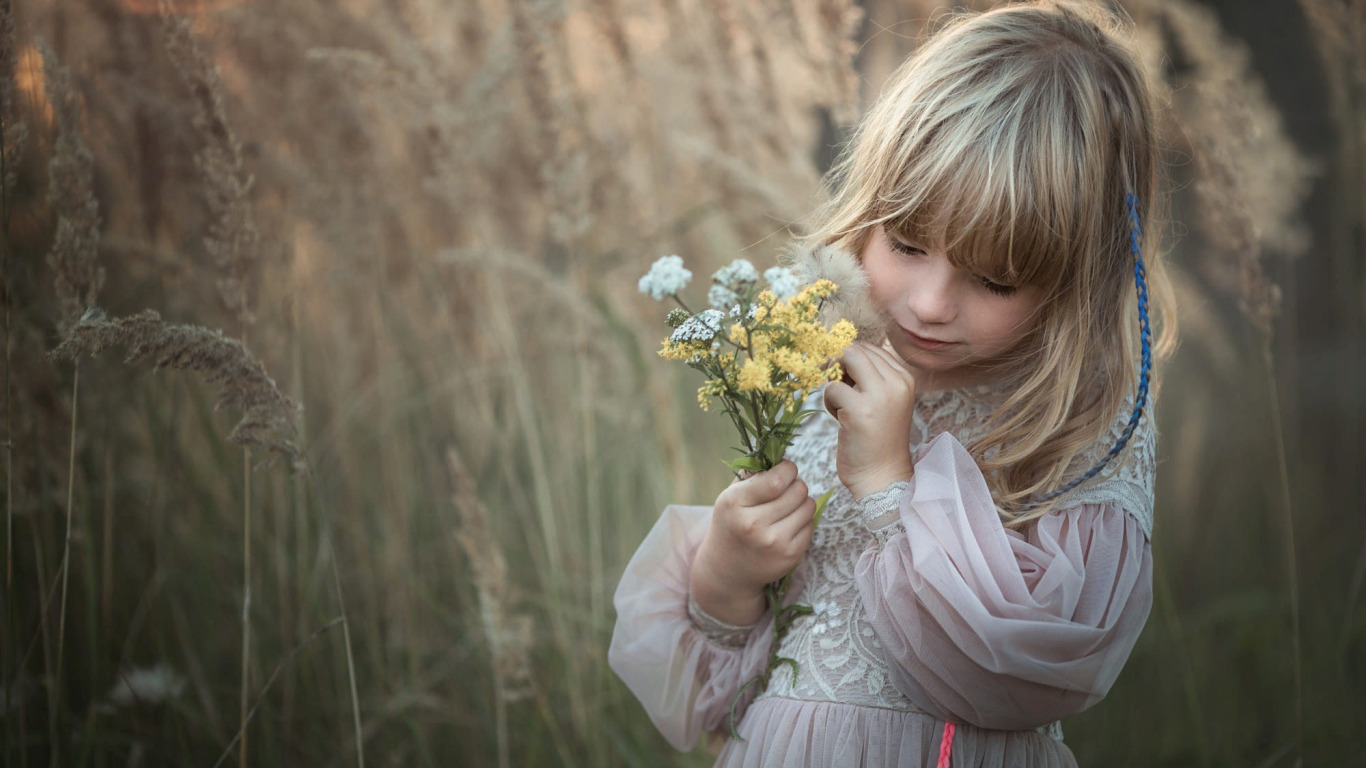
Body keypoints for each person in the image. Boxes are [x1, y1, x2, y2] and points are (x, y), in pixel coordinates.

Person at [609, 1, 1178, 765]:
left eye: (995, 281)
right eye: (906, 243)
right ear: (868, 212)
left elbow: (1022, 677)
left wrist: (888, 487)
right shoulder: (822, 376)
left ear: (1079, 281)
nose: (930, 304)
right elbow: (721, 710)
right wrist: (726, 580)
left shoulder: (1077, 430)